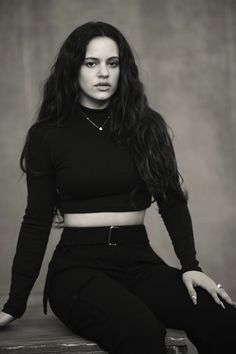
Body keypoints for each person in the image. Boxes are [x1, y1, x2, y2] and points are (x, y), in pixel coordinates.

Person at [0, 21, 235, 354]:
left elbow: (170, 200)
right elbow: (36, 220)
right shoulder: (48, 135)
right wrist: (15, 303)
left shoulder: (147, 126)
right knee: (142, 333)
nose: (103, 73)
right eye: (91, 63)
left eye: (112, 63)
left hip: (138, 260)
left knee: (223, 319)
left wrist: (191, 267)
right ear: (73, 69)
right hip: (77, 269)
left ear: (123, 69)